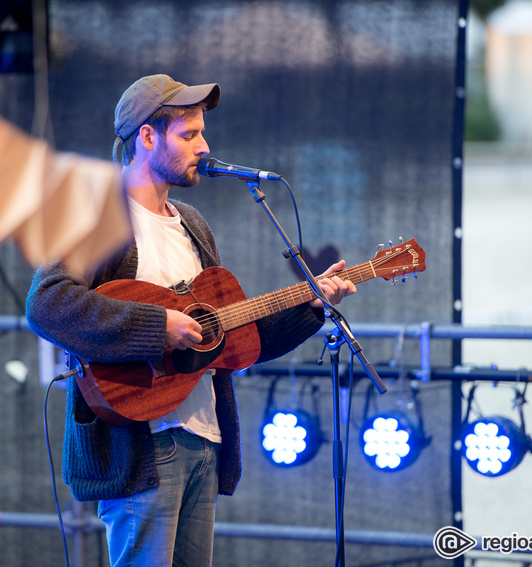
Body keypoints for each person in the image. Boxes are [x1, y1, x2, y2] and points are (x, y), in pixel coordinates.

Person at [26, 74, 356, 567]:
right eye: (189, 135)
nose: (204, 147)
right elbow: (47, 302)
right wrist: (159, 328)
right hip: (141, 446)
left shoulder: (193, 224)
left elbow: (232, 339)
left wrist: (311, 308)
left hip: (204, 439)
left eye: (202, 133)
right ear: (146, 137)